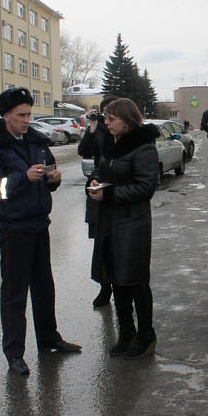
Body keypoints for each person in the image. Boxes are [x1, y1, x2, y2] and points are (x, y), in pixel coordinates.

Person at [0, 87, 81, 375]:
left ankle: (49, 339)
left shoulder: (35, 140)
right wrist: (23, 177)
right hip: (14, 228)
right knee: (14, 292)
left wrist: (52, 179)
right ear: (6, 115)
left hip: (39, 224)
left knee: (44, 286)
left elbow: (48, 172)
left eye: (29, 114)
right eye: (21, 115)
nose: (26, 120)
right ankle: (14, 353)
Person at [86, 98, 160, 359]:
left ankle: (146, 334)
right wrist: (95, 181)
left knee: (135, 280)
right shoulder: (110, 143)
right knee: (116, 279)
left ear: (128, 121)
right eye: (105, 118)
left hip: (133, 223)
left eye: (111, 119)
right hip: (109, 221)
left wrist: (109, 195)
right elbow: (102, 170)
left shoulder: (144, 147)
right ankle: (126, 332)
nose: (106, 123)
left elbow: (145, 187)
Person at [77, 95, 119, 308]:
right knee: (100, 244)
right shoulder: (99, 128)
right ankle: (105, 287)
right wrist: (93, 126)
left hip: (115, 191)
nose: (108, 119)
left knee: (117, 243)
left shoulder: (122, 132)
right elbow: (83, 150)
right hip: (97, 189)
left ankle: (120, 287)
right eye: (105, 113)